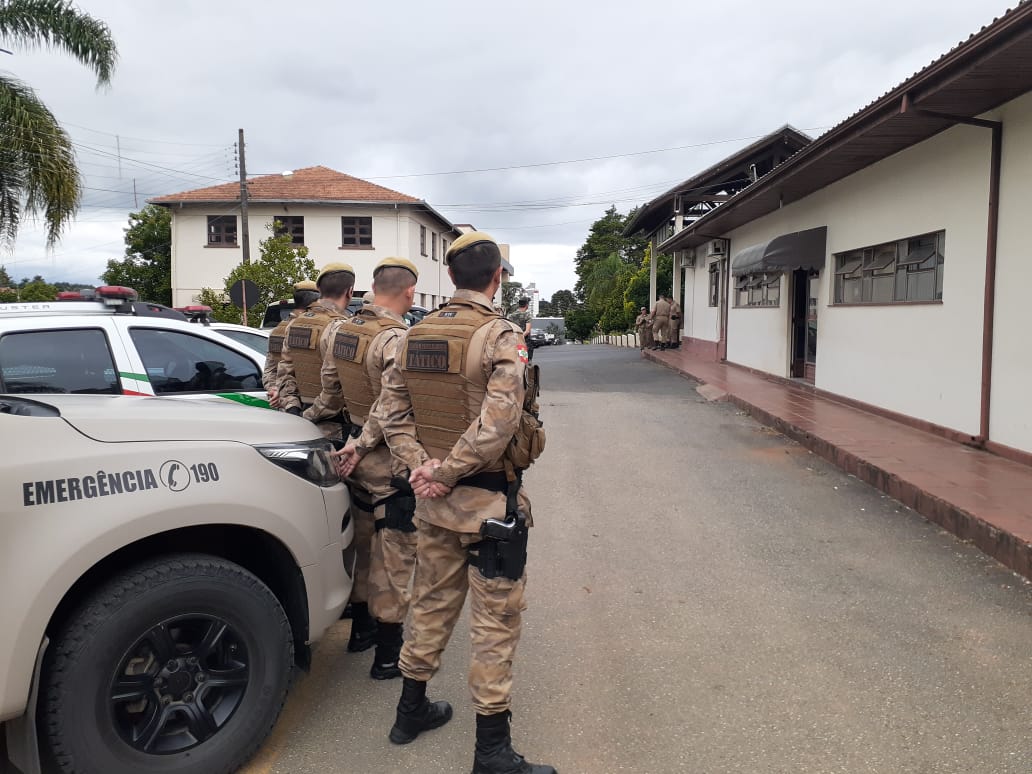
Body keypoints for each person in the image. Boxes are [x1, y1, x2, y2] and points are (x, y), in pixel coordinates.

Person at [336, 231, 555, 774]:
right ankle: (492, 752)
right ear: (496, 276)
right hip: (488, 507)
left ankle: (409, 711)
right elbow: (499, 424)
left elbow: (390, 414)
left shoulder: (413, 335)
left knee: (430, 605)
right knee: (495, 623)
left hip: (432, 503)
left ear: (451, 277)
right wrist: (447, 469)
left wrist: (421, 470)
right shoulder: (501, 336)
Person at [309, 257, 421, 670]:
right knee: (394, 557)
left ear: (372, 289)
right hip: (387, 460)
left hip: (351, 454)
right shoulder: (397, 339)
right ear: (409, 292)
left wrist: (348, 439)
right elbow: (393, 405)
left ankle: (361, 633)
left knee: (360, 546)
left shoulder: (341, 331)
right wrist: (364, 442)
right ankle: (388, 656)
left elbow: (330, 392)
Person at [275, 263, 354, 440]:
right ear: (350, 291)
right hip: (334, 429)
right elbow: (336, 387)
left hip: (300, 421)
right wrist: (308, 416)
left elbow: (285, 372)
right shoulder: (343, 328)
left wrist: (293, 409)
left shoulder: (296, 324)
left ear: (318, 289)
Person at [263, 280, 319, 392]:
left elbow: (269, 371)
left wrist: (274, 390)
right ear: (315, 302)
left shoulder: (277, 331)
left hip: (283, 400)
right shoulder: (315, 329)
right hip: (306, 399)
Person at [508, 297, 534, 361]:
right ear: (526, 305)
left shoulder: (511, 315)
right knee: (524, 362)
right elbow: (527, 331)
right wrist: (520, 338)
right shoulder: (527, 315)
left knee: (513, 362)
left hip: (512, 342)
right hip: (523, 342)